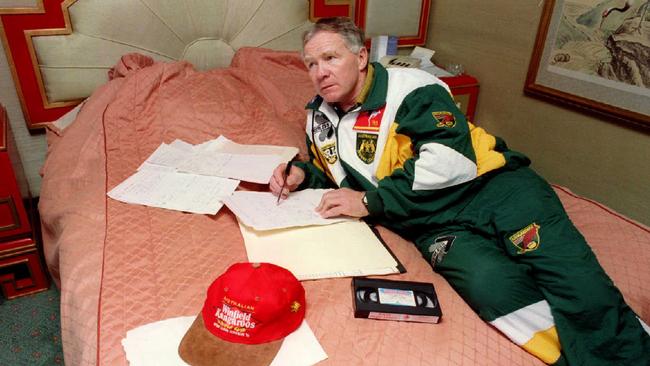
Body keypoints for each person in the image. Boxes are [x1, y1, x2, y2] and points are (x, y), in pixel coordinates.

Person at [269, 16, 650, 366]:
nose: (321, 72)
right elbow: (332, 170)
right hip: (428, 222)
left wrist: (370, 201)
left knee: (572, 280)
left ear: (362, 56)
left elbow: (449, 159)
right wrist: (302, 174)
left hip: (491, 188)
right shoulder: (318, 115)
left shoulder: (412, 89)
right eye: (311, 64)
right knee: (491, 289)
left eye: (330, 58)